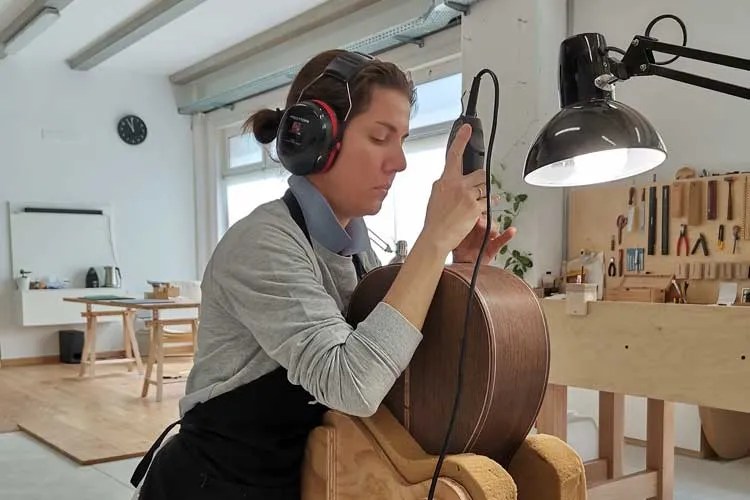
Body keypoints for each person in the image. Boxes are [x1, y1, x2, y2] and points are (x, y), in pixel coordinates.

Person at [131, 49, 515, 499]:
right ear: (313, 138)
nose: (400, 161)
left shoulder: (356, 246)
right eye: (379, 137)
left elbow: (388, 357)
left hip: (295, 480)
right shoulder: (263, 243)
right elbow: (351, 383)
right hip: (211, 485)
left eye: (403, 140)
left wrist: (457, 264)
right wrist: (432, 241)